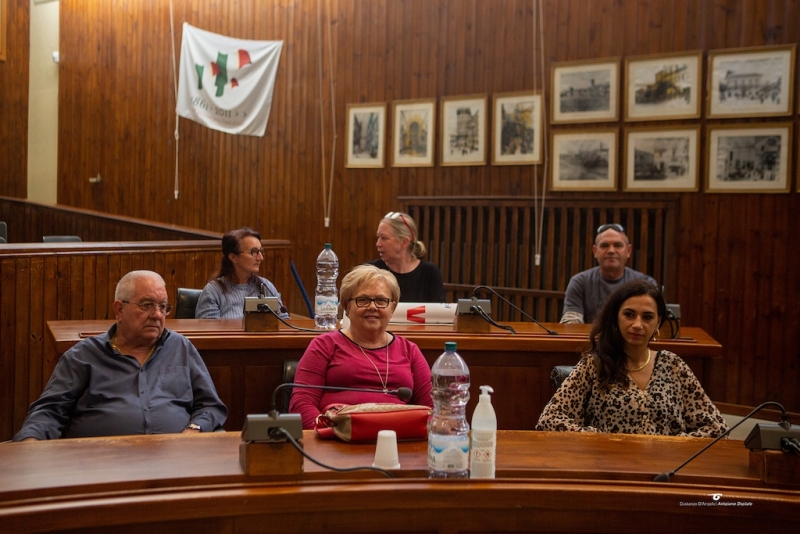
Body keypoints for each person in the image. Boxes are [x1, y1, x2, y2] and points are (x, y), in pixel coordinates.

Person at [13, 271, 227, 441]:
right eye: (147, 305)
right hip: (99, 464)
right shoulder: (84, 355)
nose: (157, 315)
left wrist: (194, 429)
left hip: (175, 461)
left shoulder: (180, 347)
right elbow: (49, 411)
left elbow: (210, 406)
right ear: (119, 309)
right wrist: (30, 442)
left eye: (163, 307)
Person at [537, 279, 727, 438]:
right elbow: (549, 420)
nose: (638, 324)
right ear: (616, 317)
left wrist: (673, 446)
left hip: (664, 471)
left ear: (658, 322)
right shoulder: (595, 365)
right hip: (609, 469)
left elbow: (718, 429)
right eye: (629, 315)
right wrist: (601, 441)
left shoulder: (673, 365)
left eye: (647, 317)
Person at [289, 264, 433, 429]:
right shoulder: (324, 345)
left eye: (381, 300)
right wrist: (331, 435)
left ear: (392, 307)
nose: (372, 307)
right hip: (336, 442)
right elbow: (301, 404)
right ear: (347, 307)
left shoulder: (410, 350)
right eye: (363, 300)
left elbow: (432, 409)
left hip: (397, 441)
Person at [560, 223, 657, 324]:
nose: (611, 251)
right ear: (595, 251)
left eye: (618, 245)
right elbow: (571, 322)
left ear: (628, 251)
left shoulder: (646, 284)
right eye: (604, 245)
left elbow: (652, 322)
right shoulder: (580, 282)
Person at [196, 227, 289, 319]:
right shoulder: (213, 291)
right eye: (253, 252)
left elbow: (285, 323)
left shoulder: (266, 286)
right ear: (233, 257)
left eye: (261, 251)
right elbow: (209, 331)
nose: (260, 258)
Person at [368, 211, 445, 303]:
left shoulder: (429, 273)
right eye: (378, 237)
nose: (378, 244)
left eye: (384, 238)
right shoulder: (369, 271)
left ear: (404, 242)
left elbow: (439, 313)